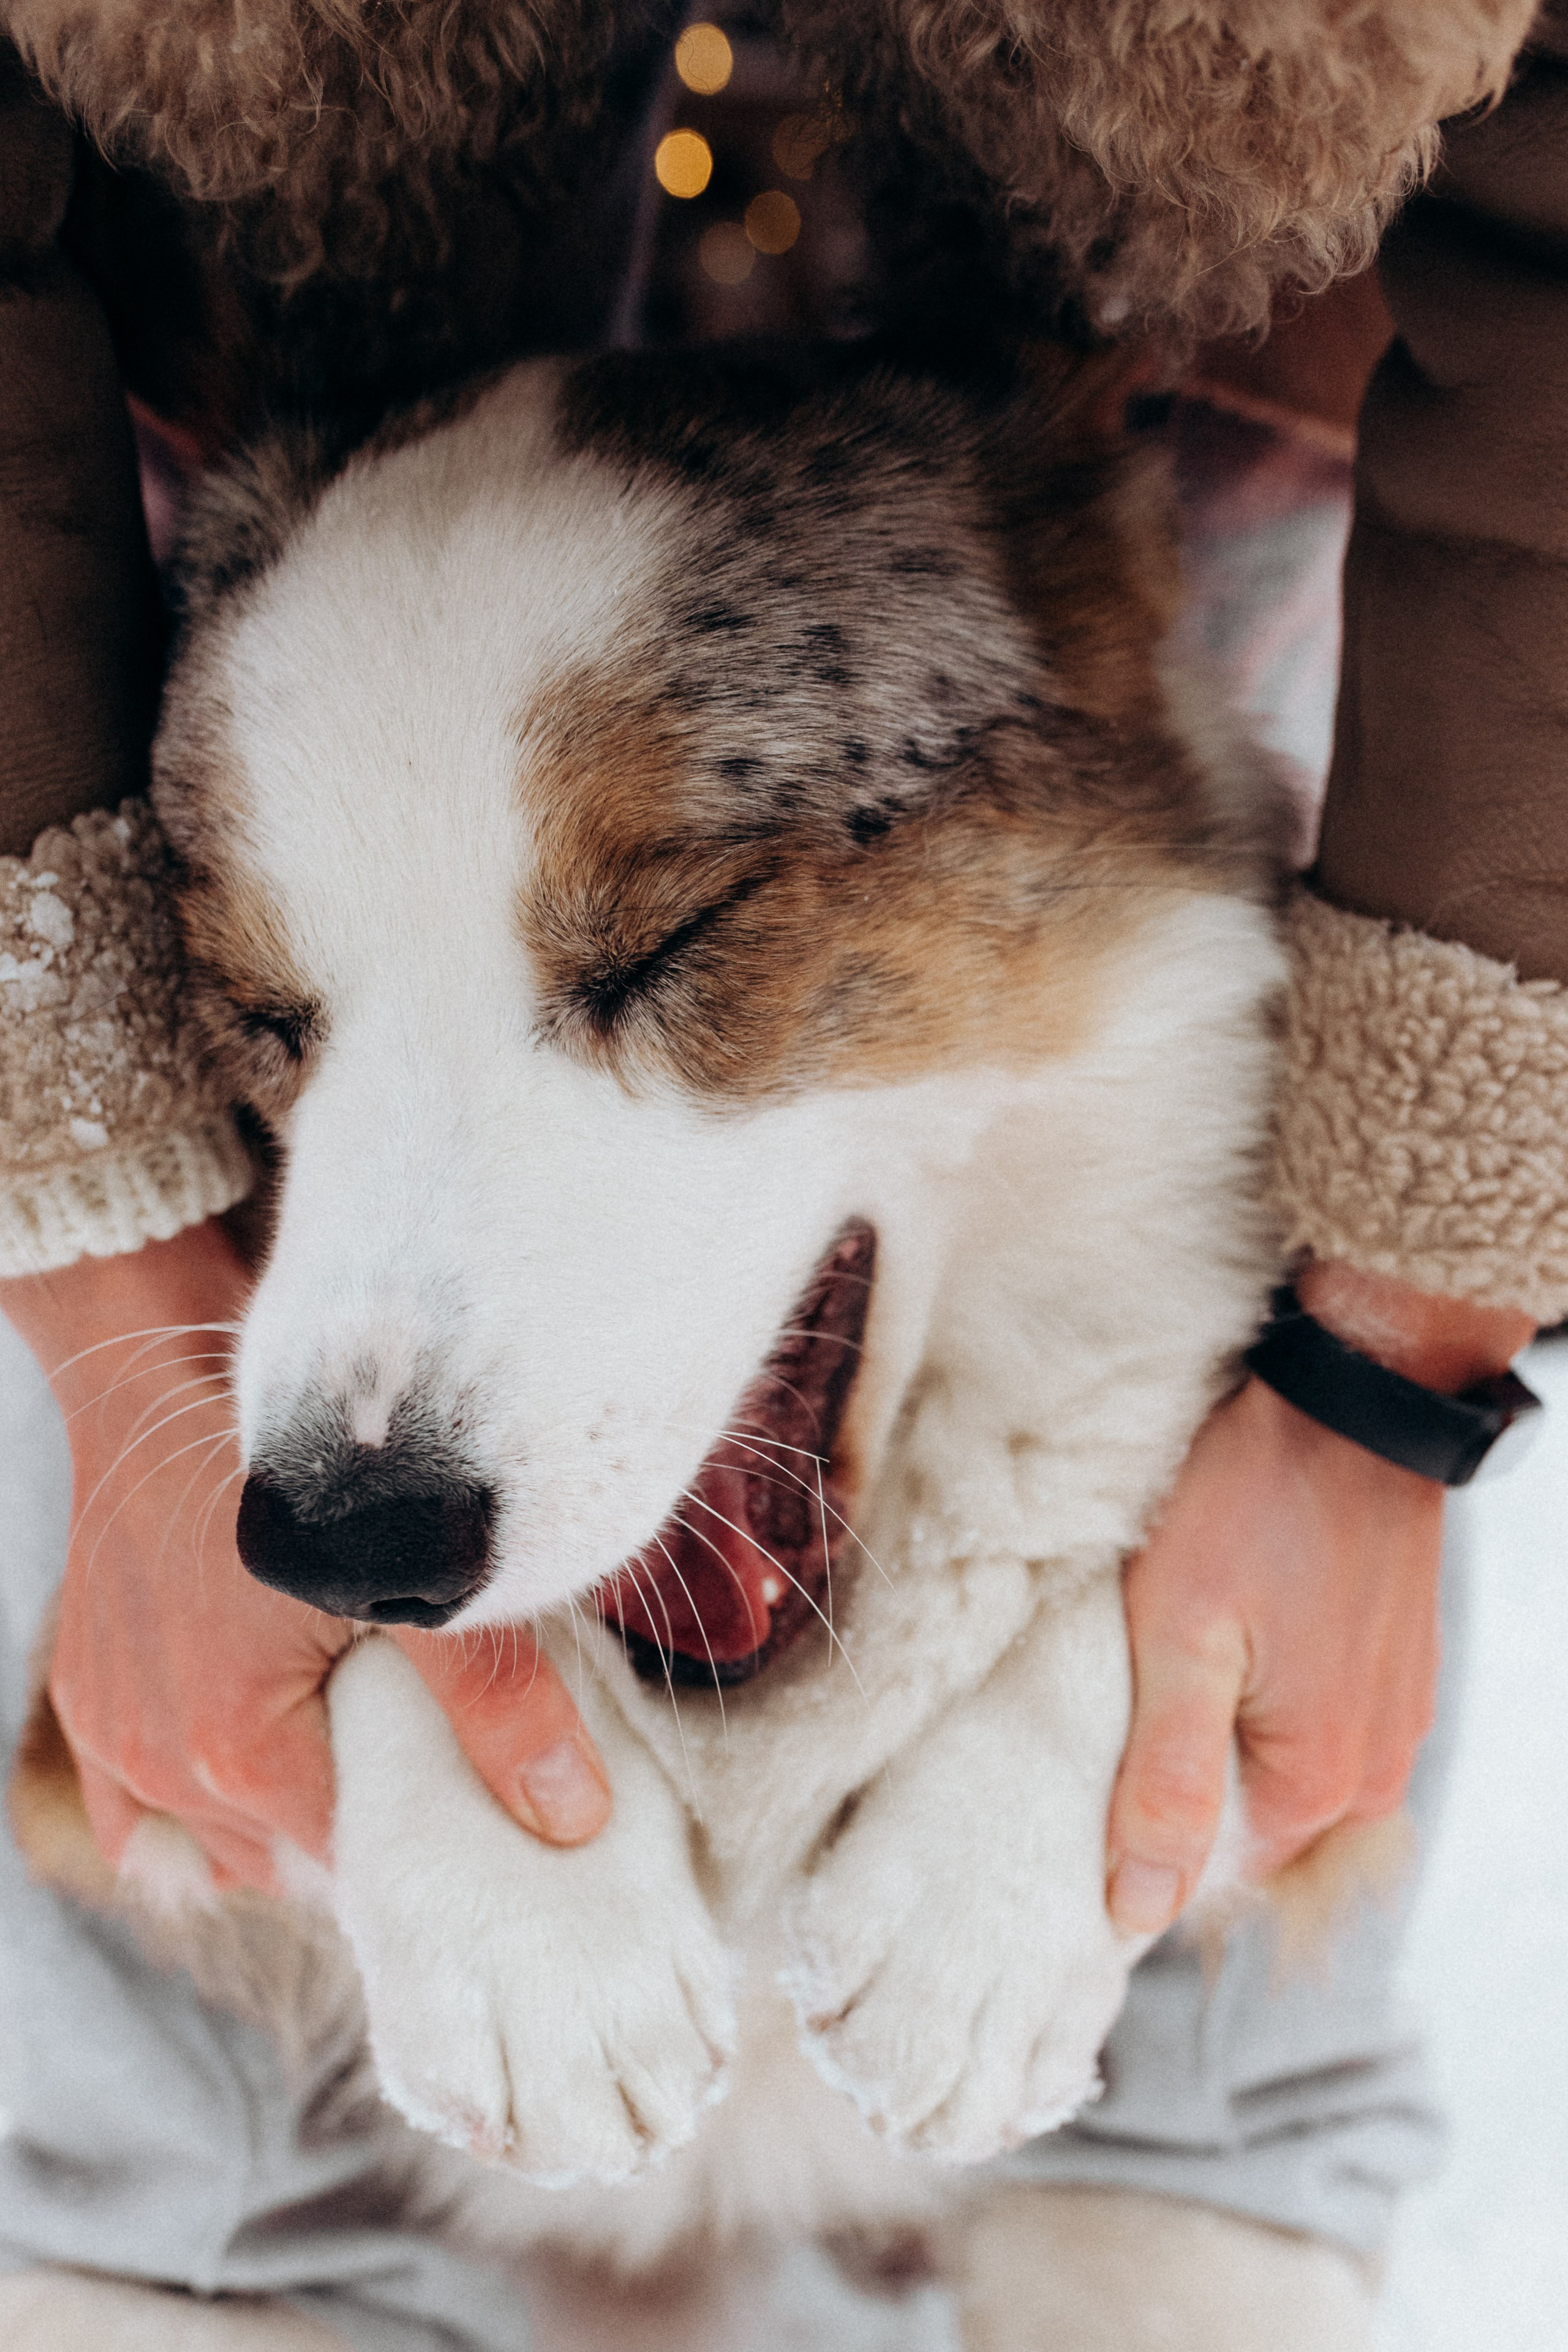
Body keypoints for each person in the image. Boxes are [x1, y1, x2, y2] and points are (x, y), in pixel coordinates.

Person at [1, 4, 1564, 2345]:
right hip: (298, 379)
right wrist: (97, 1263)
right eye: (283, 1009)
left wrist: (1390, 1383)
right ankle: (179, 2218)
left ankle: (1190, 2161)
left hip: (1193, 401)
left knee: (1233, 1208)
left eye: (657, 958)